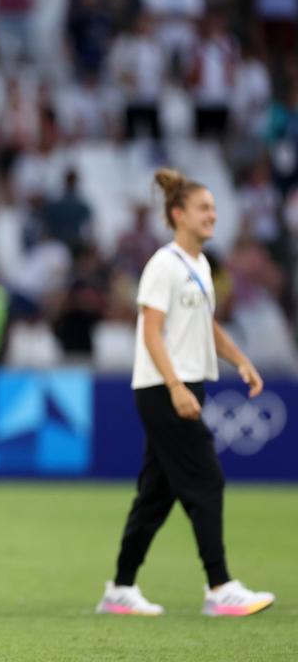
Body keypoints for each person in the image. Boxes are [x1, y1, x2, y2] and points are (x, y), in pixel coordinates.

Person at [97, 168, 274, 618]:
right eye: (203, 208)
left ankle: (120, 588)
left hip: (184, 383)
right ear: (178, 214)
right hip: (163, 386)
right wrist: (175, 386)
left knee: (156, 495)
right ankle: (219, 587)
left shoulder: (199, 265)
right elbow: (151, 331)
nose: (212, 215)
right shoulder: (164, 264)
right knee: (206, 479)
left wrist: (242, 361)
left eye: (214, 208)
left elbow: (205, 325)